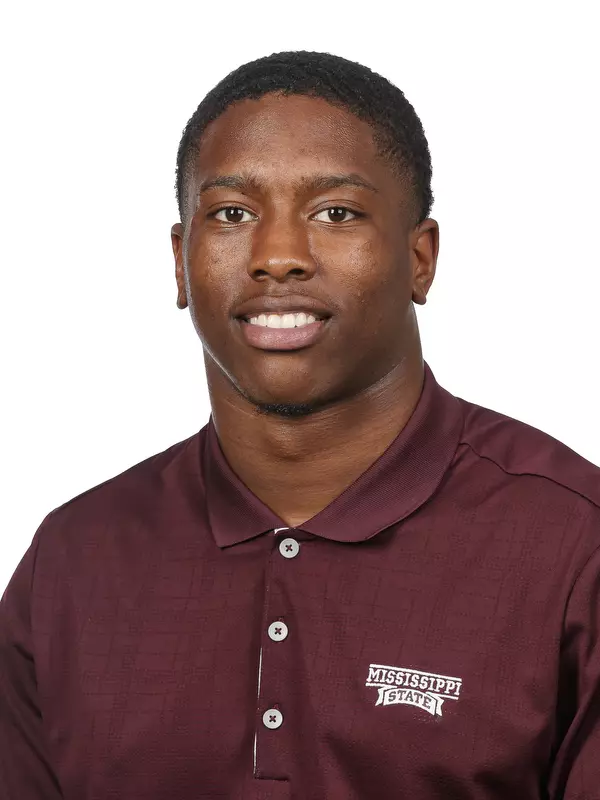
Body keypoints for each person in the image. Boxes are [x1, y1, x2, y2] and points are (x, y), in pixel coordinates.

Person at [1, 50, 599, 800]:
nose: (278, 256)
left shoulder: (573, 545)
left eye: (335, 213)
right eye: (232, 214)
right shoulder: (72, 563)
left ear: (420, 259)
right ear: (182, 265)